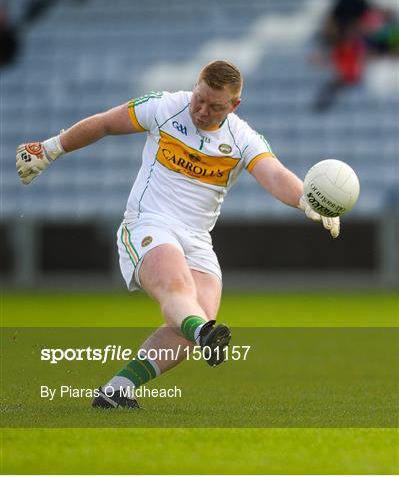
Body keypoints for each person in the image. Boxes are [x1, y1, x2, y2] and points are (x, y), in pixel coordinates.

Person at [16, 60, 340, 409]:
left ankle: (119, 389)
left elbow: (274, 175)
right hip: (149, 224)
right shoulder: (164, 106)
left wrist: (306, 200)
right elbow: (107, 123)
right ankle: (203, 332)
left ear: (234, 106)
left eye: (215, 106)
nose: (201, 111)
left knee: (192, 318)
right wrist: (50, 149)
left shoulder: (243, 138)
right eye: (199, 99)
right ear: (195, 87)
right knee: (181, 295)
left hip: (198, 241)